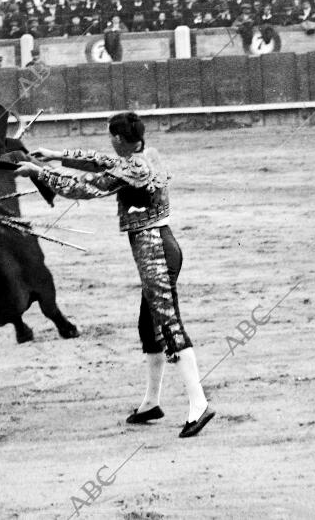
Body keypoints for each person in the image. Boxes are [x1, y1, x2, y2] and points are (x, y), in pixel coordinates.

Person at [15, 112, 215, 438]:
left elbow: (81, 188)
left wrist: (39, 173)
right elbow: (102, 162)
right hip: (163, 245)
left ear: (120, 139)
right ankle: (152, 403)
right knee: (148, 325)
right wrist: (57, 156)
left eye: (111, 136)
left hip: (155, 251)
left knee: (168, 323)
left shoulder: (131, 168)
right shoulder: (145, 155)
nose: (109, 142)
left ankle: (198, 404)